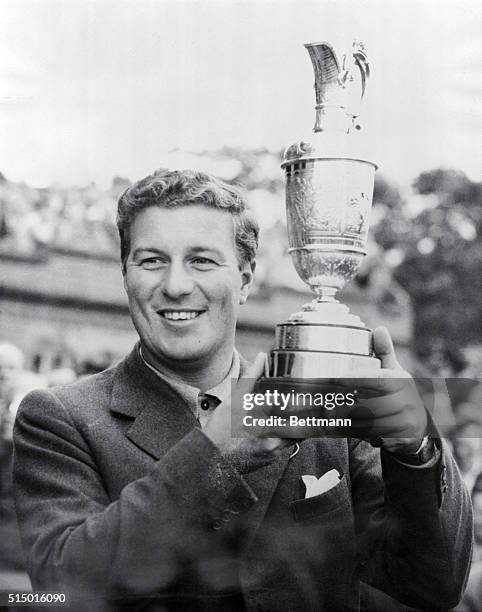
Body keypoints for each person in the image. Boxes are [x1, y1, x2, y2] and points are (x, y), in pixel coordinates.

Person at [13, 169, 472, 611]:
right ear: (126, 275)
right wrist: (215, 454)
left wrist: (414, 447)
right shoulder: (60, 417)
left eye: (203, 260)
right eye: (152, 260)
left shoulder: (324, 405)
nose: (175, 285)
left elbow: (434, 585)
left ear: (247, 279)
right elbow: (60, 591)